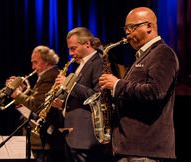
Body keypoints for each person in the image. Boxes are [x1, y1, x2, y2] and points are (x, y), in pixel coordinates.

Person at [99, 7, 179, 162]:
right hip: (131, 148)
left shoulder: (163, 53)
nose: (127, 33)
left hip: (146, 151)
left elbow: (155, 92)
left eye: (132, 27)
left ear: (149, 26)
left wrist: (117, 85)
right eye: (126, 28)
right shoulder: (142, 57)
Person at [52, 27, 111, 162]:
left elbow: (98, 95)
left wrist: (68, 83)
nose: (70, 53)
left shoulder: (99, 62)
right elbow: (78, 96)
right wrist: (63, 104)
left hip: (86, 137)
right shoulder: (82, 65)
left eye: (73, 48)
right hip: (74, 135)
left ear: (87, 44)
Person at [6, 45, 65, 162]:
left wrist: (18, 95)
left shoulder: (51, 77)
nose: (33, 67)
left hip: (44, 140)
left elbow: (37, 106)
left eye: (35, 62)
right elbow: (38, 100)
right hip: (40, 140)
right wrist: (23, 91)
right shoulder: (48, 75)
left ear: (47, 62)